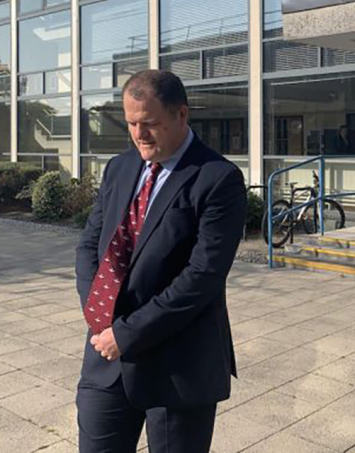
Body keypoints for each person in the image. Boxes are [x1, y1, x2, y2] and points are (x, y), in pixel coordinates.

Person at [75, 70, 247, 453]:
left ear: (181, 115)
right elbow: (90, 246)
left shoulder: (218, 179)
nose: (139, 134)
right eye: (132, 123)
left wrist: (129, 332)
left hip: (178, 368)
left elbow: (202, 277)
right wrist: (99, 316)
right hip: (107, 360)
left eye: (150, 123)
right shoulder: (120, 168)